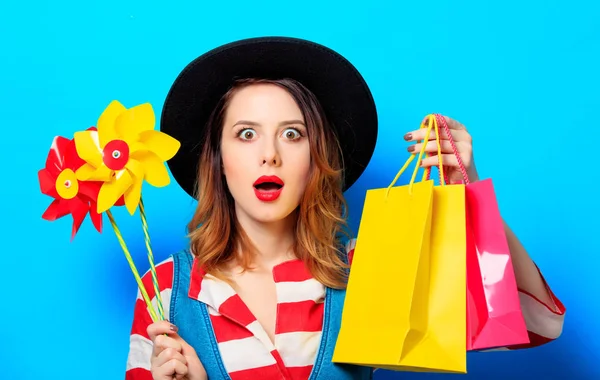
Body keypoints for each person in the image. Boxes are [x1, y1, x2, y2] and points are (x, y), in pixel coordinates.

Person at [125, 37, 565, 380]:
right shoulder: (164, 289)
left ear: (317, 158)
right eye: (246, 134)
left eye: (293, 134)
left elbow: (538, 323)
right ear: (218, 159)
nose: (270, 155)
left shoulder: (365, 265)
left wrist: (468, 197)